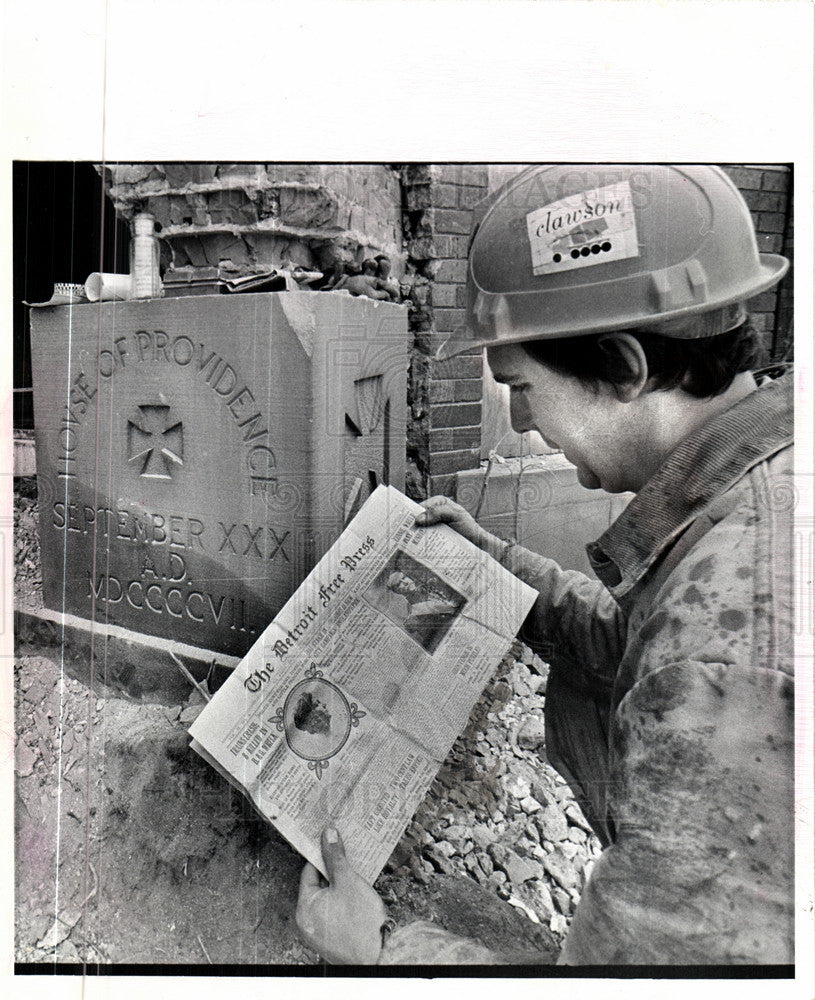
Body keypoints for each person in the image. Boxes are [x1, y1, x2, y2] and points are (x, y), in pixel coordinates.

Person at [295, 164, 794, 965]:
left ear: (625, 367)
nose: (521, 422)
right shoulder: (750, 497)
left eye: (520, 386)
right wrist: (488, 562)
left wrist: (381, 947)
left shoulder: (722, 664)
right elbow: (628, 642)